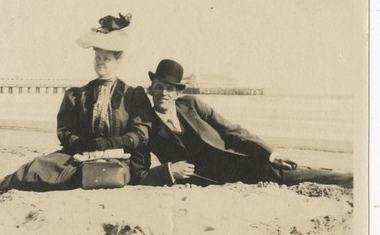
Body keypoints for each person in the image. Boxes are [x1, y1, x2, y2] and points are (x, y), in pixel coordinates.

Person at [130, 59, 353, 188]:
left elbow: (231, 130)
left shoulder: (192, 105)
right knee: (293, 178)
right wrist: (169, 171)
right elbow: (138, 174)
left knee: (288, 174)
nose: (163, 93)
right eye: (159, 87)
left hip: (237, 162)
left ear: (178, 93)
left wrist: (271, 154)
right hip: (207, 181)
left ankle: (353, 179)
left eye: (170, 89)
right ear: (151, 89)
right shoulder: (145, 124)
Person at [0, 13, 151, 192]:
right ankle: (1, 185)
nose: (100, 63)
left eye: (106, 59)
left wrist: (112, 143)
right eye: (97, 58)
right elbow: (65, 130)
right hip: (80, 154)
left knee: (99, 175)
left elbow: (141, 133)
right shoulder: (78, 94)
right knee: (37, 167)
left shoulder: (133, 94)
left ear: (118, 60)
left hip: (119, 157)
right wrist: (81, 143)